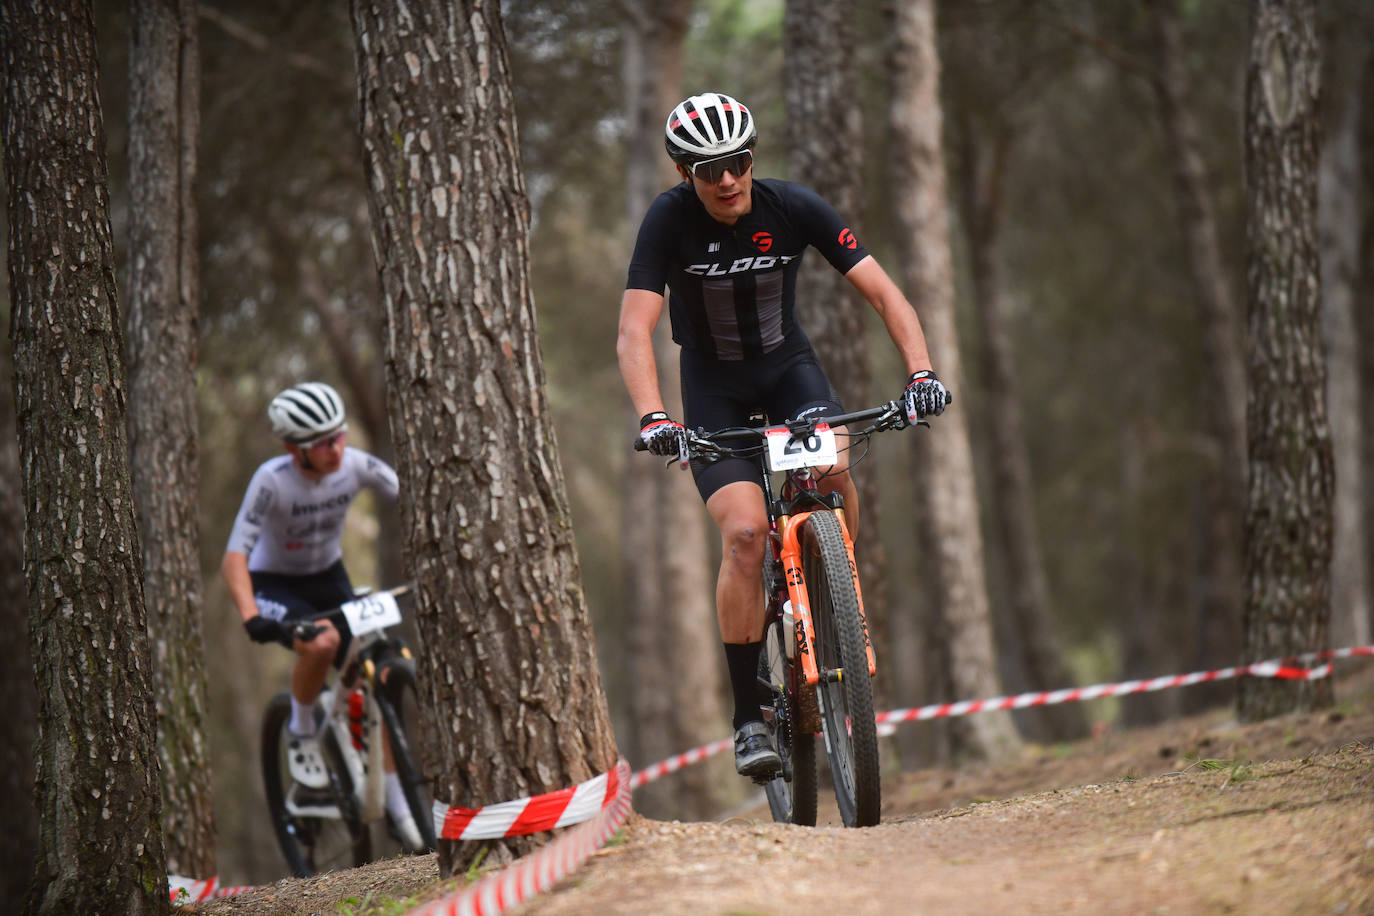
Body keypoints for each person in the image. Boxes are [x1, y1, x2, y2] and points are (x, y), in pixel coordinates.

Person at [617, 92, 950, 779]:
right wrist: (654, 416)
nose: (728, 179)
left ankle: (840, 607)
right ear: (685, 173)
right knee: (743, 534)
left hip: (788, 372)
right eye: (710, 170)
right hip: (713, 388)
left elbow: (887, 294)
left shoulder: (793, 206)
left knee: (831, 474)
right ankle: (746, 716)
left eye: (738, 161)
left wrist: (921, 373)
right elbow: (634, 330)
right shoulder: (668, 221)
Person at [222, 381, 423, 850]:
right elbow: (235, 557)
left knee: (369, 680)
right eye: (322, 443)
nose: (336, 448)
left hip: (327, 576)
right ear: (295, 450)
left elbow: (408, 495)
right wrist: (253, 617)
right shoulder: (271, 480)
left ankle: (400, 812)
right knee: (323, 642)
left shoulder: (354, 465)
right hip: (274, 582)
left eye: (340, 435)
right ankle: (301, 731)